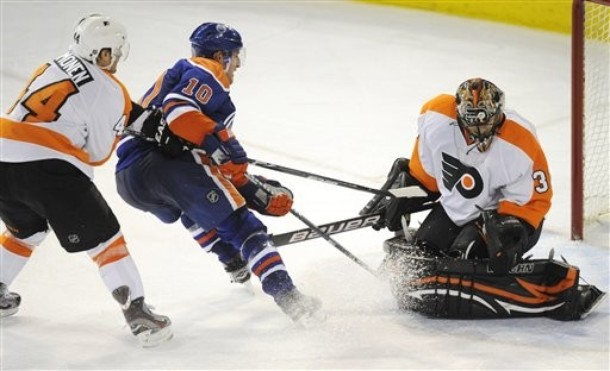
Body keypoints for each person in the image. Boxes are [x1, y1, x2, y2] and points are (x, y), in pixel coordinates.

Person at [114, 22, 323, 324]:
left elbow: (197, 151)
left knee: (192, 209)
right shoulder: (206, 69)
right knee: (247, 230)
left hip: (129, 178)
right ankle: (290, 298)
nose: (237, 63)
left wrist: (246, 185)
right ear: (221, 55)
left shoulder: (177, 74)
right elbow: (179, 112)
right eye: (235, 56)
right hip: (165, 167)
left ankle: (233, 260)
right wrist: (226, 146)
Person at [367, 78, 606, 320]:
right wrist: (405, 191)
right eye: (471, 123)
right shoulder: (436, 118)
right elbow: (428, 173)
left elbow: (536, 199)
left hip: (503, 215)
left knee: (464, 257)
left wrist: (512, 231)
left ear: (498, 113)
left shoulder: (519, 141)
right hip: (455, 210)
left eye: (485, 122)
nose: (479, 131)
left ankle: (529, 287)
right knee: (424, 251)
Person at [0, 13, 172, 347]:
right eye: (114, 53)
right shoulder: (111, 89)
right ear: (103, 53)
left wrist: (131, 117)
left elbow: (80, 100)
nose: (117, 60)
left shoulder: (53, 62)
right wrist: (133, 125)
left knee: (26, 230)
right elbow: (96, 154)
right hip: (46, 169)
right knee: (107, 242)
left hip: (1, 157)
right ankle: (139, 315)